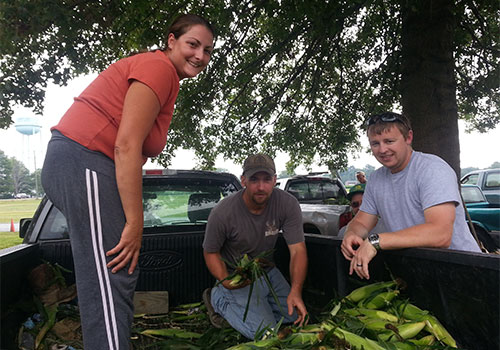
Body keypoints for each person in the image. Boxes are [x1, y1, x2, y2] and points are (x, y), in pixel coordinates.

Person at [40, 14, 215, 350]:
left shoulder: (167, 78)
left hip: (90, 165)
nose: (200, 56)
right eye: (193, 44)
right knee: (110, 275)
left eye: (207, 50)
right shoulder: (159, 68)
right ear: (171, 40)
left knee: (118, 272)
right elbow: (126, 146)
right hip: (84, 159)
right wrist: (136, 223)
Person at [341, 111, 481, 280]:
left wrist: (375, 242)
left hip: (462, 270)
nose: (382, 149)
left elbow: (440, 234)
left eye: (389, 141)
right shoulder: (376, 179)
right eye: (375, 143)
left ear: (408, 138)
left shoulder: (432, 169)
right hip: (418, 272)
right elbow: (362, 221)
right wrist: (351, 233)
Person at [202, 154, 308, 339]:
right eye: (254, 180)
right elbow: (210, 252)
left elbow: (298, 250)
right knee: (266, 334)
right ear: (244, 180)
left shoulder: (287, 204)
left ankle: (253, 313)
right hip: (237, 277)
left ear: (274, 180)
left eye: (267, 180)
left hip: (268, 272)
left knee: (297, 319)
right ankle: (218, 298)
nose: (261, 187)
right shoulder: (223, 212)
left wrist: (296, 291)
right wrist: (225, 280)